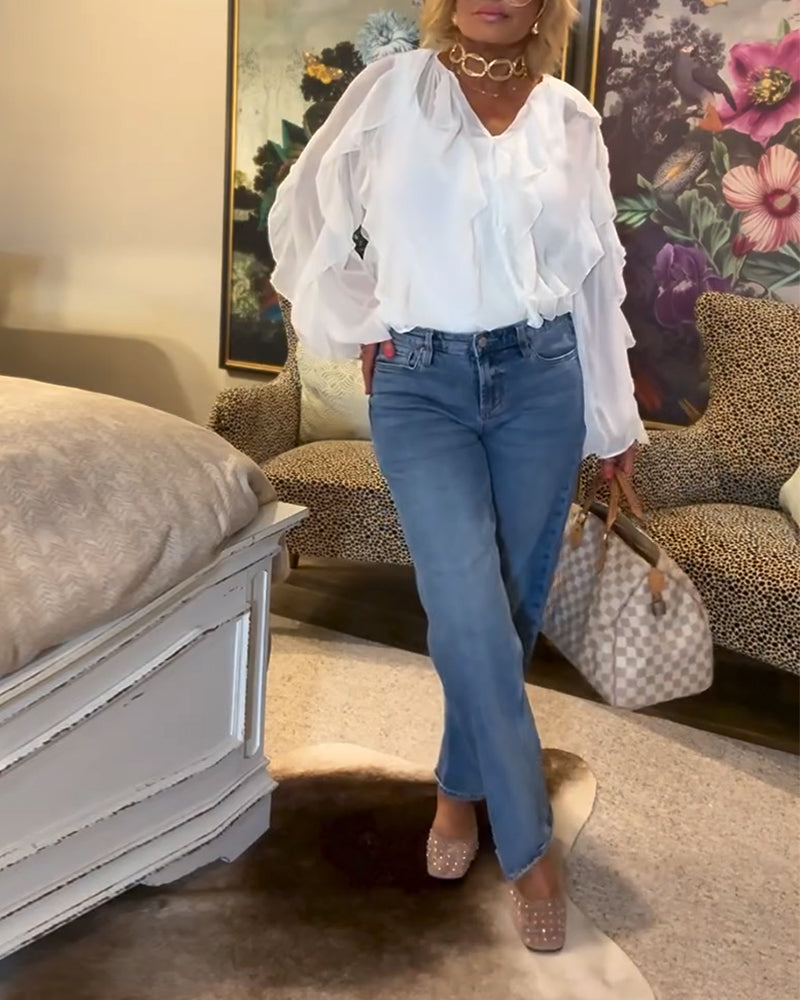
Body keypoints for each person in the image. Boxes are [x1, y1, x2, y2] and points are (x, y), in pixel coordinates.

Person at [268, 0, 646, 953]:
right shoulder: (391, 92)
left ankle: (457, 787)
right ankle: (530, 844)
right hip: (422, 385)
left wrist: (614, 418)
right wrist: (365, 316)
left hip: (543, 381)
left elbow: (597, 279)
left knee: (509, 608)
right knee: (466, 606)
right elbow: (307, 206)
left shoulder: (570, 117)